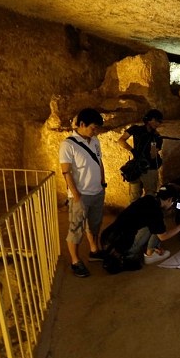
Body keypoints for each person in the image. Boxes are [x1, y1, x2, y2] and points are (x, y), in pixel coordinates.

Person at [59, 108, 108, 278]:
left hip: (97, 192)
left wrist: (103, 183)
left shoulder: (95, 141)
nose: (95, 132)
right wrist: (77, 196)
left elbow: (99, 161)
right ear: (81, 124)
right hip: (80, 195)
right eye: (93, 128)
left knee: (94, 224)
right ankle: (75, 260)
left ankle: (94, 250)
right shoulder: (68, 144)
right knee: (76, 229)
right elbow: (66, 172)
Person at [100, 186, 180, 268]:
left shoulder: (148, 199)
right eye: (173, 202)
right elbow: (163, 236)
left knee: (153, 225)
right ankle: (144, 255)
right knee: (159, 227)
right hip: (122, 246)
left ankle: (150, 249)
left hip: (106, 237)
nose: (172, 205)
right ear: (170, 199)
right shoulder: (155, 213)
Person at [117, 109, 164, 202]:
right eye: (156, 120)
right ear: (150, 120)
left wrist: (154, 142)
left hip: (148, 167)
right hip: (138, 167)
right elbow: (121, 140)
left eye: (158, 121)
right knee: (137, 197)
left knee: (148, 197)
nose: (157, 124)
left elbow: (153, 156)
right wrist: (133, 150)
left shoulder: (157, 136)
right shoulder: (136, 129)